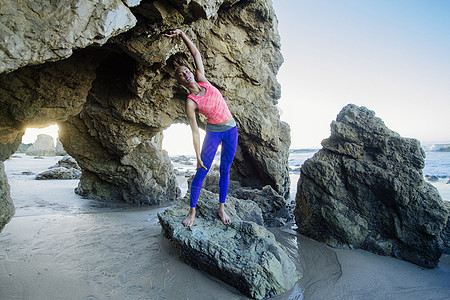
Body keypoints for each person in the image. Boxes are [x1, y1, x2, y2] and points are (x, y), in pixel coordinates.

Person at [163, 29, 238, 227]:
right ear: (179, 80)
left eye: (186, 71)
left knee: (225, 169)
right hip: (213, 133)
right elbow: (195, 130)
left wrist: (181, 34)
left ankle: (221, 208)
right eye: (181, 74)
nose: (186, 74)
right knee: (201, 171)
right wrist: (197, 156)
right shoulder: (190, 101)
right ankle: (192, 212)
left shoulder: (202, 78)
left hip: (231, 130)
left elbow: (196, 54)